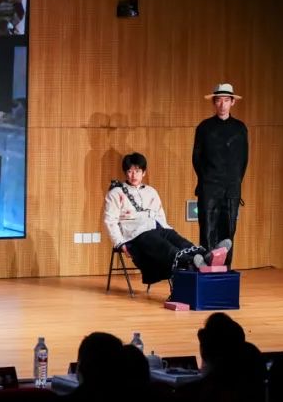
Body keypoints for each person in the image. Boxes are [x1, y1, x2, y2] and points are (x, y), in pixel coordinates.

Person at [103, 152, 228, 286]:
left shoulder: (151, 191)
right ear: (125, 173)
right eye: (130, 171)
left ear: (144, 173)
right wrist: (120, 243)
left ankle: (206, 255)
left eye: (137, 171)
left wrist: (167, 230)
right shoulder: (116, 193)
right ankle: (191, 261)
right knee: (165, 247)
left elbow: (160, 215)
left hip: (158, 227)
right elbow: (110, 221)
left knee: (179, 240)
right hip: (136, 234)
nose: (133, 175)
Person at [193, 83, 248, 267]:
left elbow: (243, 160)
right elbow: (196, 158)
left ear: (232, 102)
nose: (222, 104)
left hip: (231, 189)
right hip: (209, 187)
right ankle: (206, 271)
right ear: (214, 103)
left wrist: (235, 182)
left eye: (226, 100)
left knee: (228, 232)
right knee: (207, 230)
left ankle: (225, 270)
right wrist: (206, 179)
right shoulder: (204, 127)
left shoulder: (240, 128)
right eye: (218, 100)